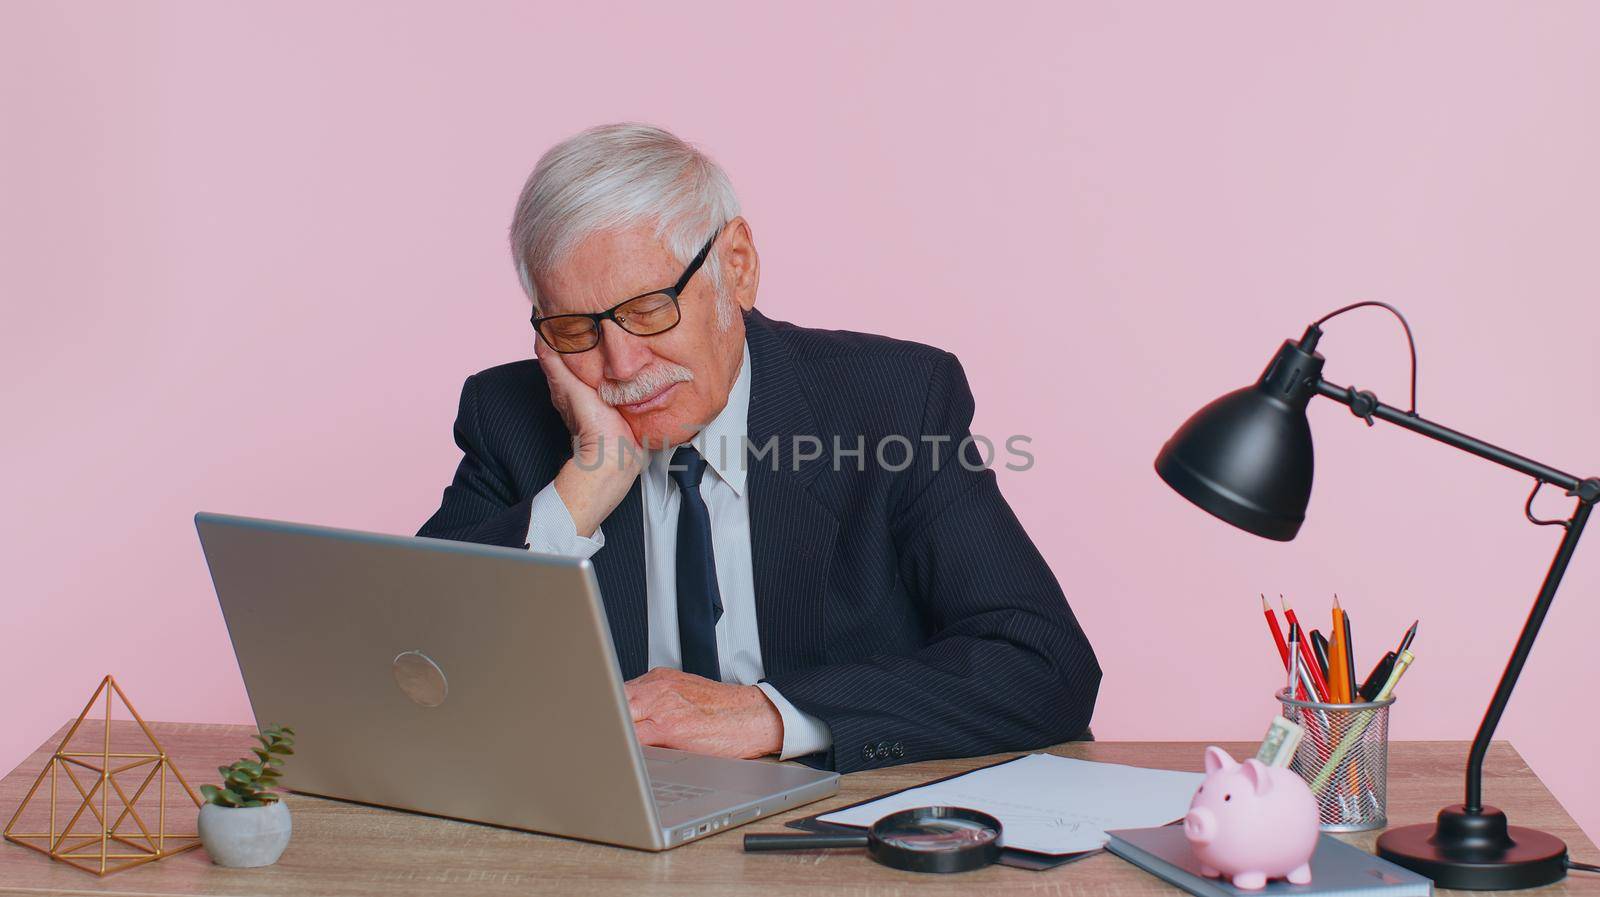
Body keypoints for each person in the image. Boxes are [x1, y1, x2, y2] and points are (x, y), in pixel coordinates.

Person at [419, 123, 1100, 773]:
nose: (621, 364)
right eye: (575, 328)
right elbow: (414, 676)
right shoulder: (509, 417)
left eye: (651, 309)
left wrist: (769, 716)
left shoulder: (893, 403)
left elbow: (1044, 667)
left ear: (736, 269)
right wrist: (582, 490)